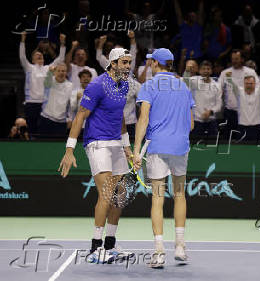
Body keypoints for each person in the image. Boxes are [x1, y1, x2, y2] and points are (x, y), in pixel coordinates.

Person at [58, 48, 134, 263]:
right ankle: (95, 248)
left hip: (117, 144)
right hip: (97, 143)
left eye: (130, 62)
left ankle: (110, 244)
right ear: (112, 63)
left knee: (122, 194)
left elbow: (120, 117)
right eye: (124, 62)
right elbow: (81, 115)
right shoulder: (97, 85)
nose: (128, 66)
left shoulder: (124, 85)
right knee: (107, 193)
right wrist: (69, 149)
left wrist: (127, 148)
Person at [133, 48, 194, 268]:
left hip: (157, 148)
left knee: (158, 199)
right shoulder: (183, 86)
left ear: (155, 64)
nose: (149, 64)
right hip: (180, 147)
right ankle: (180, 247)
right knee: (179, 195)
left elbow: (143, 118)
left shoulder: (149, 86)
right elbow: (192, 124)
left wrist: (136, 150)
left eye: (150, 62)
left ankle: (159, 252)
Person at [19, 32, 66, 137]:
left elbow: (60, 59)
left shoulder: (47, 69)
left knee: (42, 128)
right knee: (31, 127)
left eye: (41, 55)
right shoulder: (29, 68)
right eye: (36, 55)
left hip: (45, 103)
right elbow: (22, 56)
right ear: (32, 59)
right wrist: (22, 40)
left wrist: (62, 44)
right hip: (31, 103)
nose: (39, 55)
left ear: (44, 58)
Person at [218, 49, 259, 135]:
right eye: (233, 59)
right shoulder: (225, 73)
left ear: (242, 59)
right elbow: (218, 91)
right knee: (228, 139)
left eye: (236, 59)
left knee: (244, 140)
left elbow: (257, 89)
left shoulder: (250, 72)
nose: (234, 61)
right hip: (230, 112)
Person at [226, 67, 260, 141]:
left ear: (255, 84)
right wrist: (229, 78)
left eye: (251, 83)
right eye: (247, 84)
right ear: (244, 84)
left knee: (257, 151)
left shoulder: (259, 92)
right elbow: (232, 84)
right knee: (241, 151)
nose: (249, 86)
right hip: (242, 127)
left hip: (257, 127)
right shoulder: (239, 92)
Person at [184, 60, 222, 139]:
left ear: (211, 71)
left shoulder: (217, 85)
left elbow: (219, 104)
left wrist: (210, 112)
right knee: (195, 146)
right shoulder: (194, 81)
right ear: (200, 71)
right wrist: (187, 70)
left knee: (213, 146)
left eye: (208, 69)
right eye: (203, 69)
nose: (206, 71)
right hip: (197, 121)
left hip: (211, 122)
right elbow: (185, 80)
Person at [39, 63, 73, 137]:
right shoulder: (50, 81)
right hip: (46, 119)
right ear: (55, 72)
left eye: (63, 71)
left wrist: (70, 119)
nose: (61, 73)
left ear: (66, 72)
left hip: (61, 122)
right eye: (59, 71)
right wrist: (50, 72)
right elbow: (46, 83)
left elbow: (71, 104)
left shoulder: (70, 86)